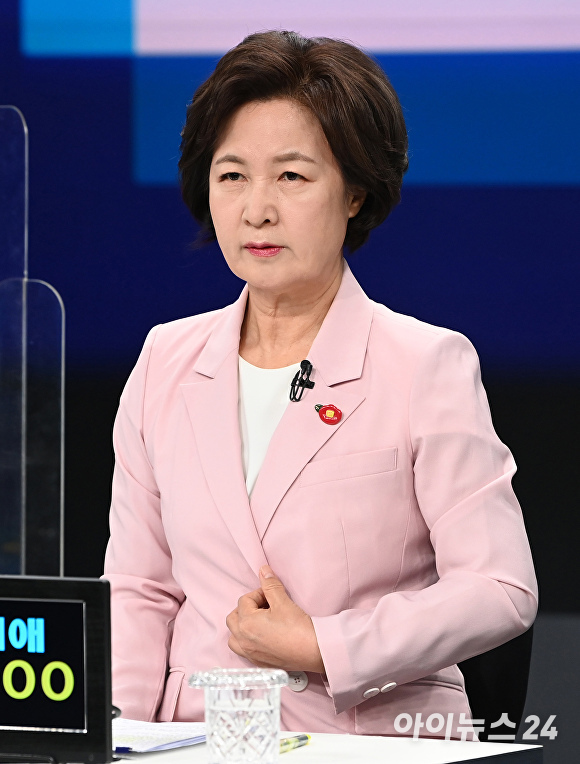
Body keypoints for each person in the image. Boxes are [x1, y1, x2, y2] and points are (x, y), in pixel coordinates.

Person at [103, 30, 537, 739]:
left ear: (356, 192)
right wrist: (120, 737)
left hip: (365, 738)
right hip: (194, 740)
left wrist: (326, 646)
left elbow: (500, 589)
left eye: (292, 177)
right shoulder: (165, 361)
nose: (257, 209)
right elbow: (138, 589)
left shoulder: (424, 363)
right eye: (232, 175)